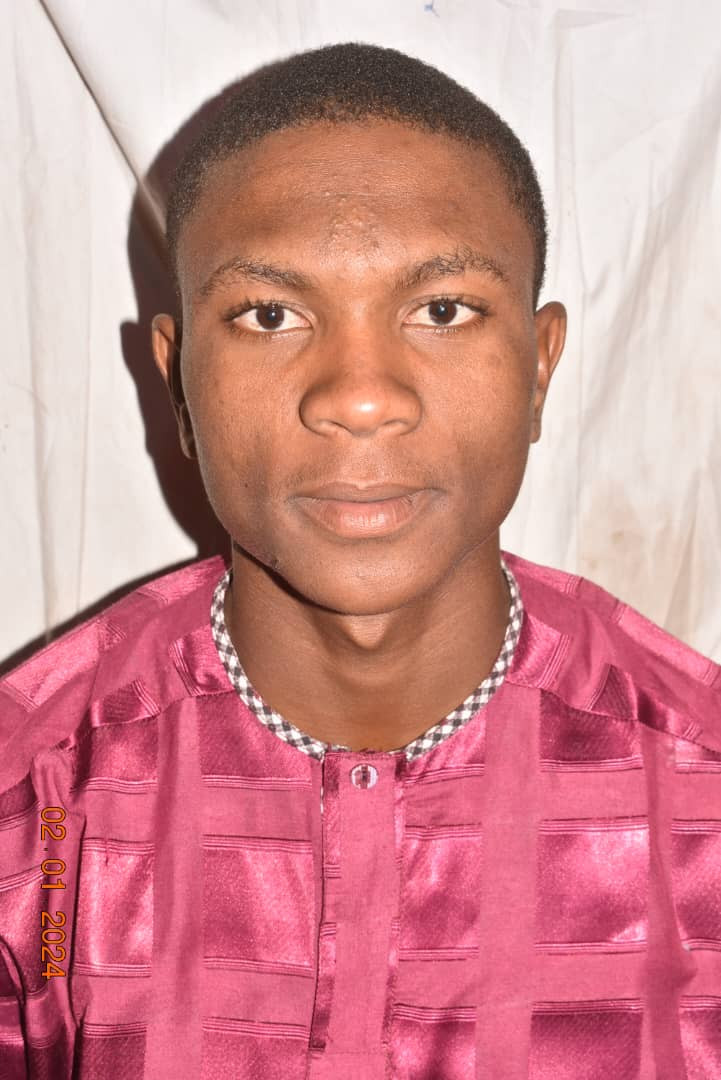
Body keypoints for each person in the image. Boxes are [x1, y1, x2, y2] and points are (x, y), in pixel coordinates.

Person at [1, 41, 719, 1080]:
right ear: (177, 384)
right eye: (270, 315)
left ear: (537, 369)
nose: (360, 396)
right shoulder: (29, 809)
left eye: (442, 310)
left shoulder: (700, 795)